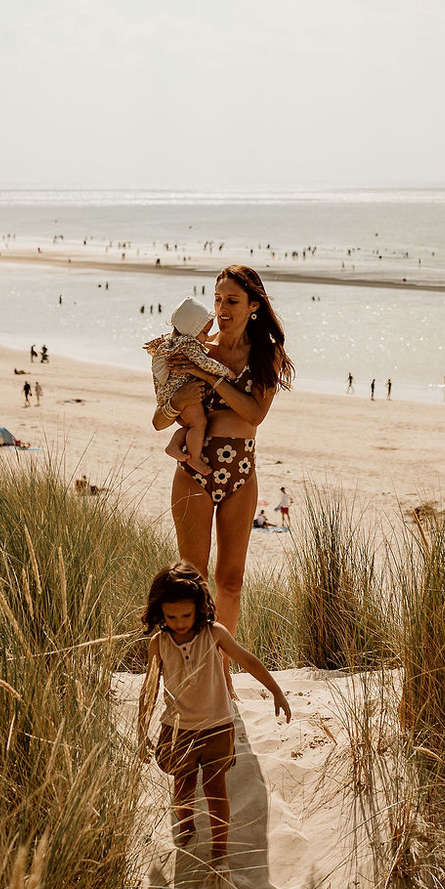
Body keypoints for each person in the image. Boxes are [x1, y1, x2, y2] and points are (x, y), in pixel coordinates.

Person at [163, 266, 293, 647]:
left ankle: (221, 670)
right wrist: (177, 399)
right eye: (217, 299)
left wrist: (213, 378)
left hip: (241, 471)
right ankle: (192, 662)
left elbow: (255, 414)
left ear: (253, 305)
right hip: (194, 470)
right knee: (192, 577)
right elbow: (159, 418)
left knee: (231, 581)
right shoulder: (196, 349)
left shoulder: (267, 353)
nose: (221, 308)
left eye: (232, 301)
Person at [135, 564, 290, 882]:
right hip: (178, 729)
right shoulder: (158, 644)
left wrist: (275, 690)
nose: (178, 623)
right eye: (171, 616)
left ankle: (220, 854)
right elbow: (148, 689)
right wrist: (141, 730)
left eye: (185, 616)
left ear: (199, 609)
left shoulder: (214, 633)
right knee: (183, 784)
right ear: (159, 612)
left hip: (218, 725)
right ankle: (186, 823)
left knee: (216, 789)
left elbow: (247, 659)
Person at [144, 297, 234, 475]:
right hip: (183, 393)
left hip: (168, 395)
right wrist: (226, 371)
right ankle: (194, 457)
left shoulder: (168, 343)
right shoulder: (188, 344)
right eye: (204, 333)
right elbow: (205, 363)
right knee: (199, 423)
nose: (206, 338)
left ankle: (174, 445)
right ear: (191, 329)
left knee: (188, 426)